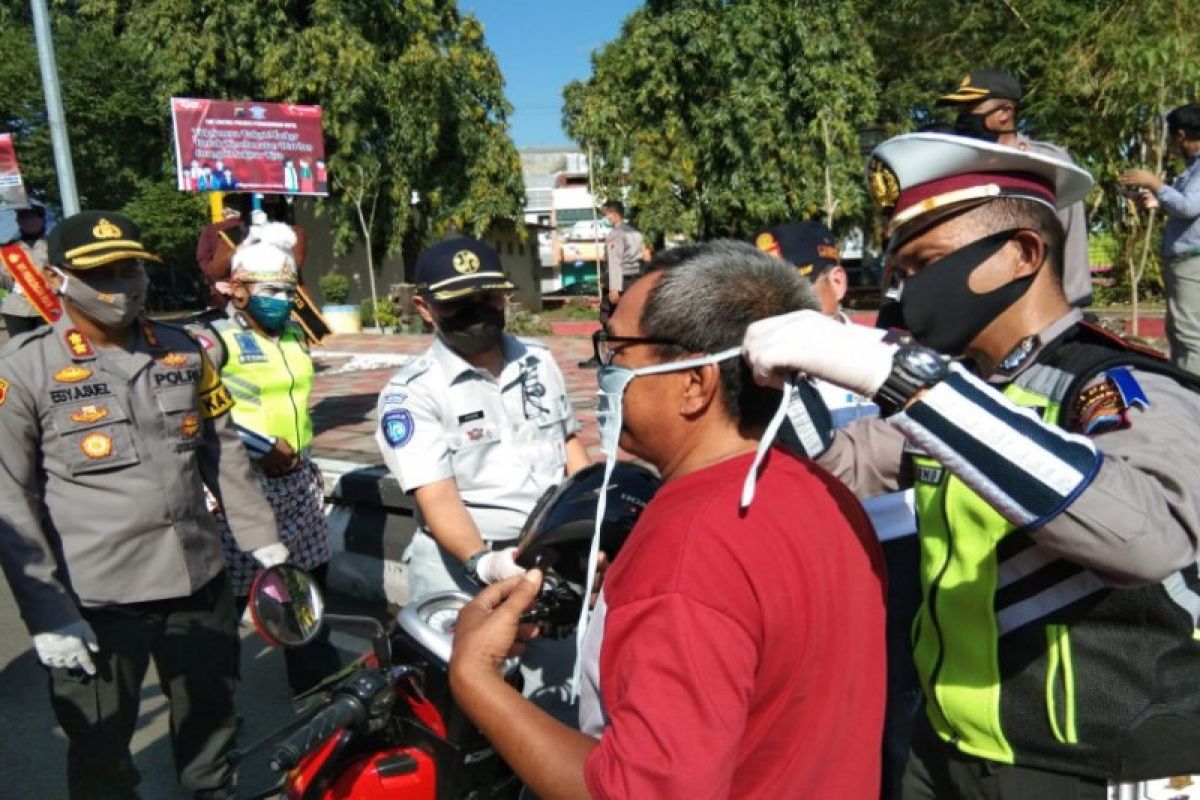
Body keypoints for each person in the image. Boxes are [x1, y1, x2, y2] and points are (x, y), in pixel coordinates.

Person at [744, 132, 1200, 798]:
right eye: (897, 275)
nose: (907, 295)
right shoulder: (966, 390)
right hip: (947, 741)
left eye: (925, 263)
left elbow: (1149, 537)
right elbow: (838, 466)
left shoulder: (1111, 382)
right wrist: (781, 373)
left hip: (1091, 756)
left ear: (1021, 253)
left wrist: (910, 385)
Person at [448, 241, 887, 798]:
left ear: (694, 383)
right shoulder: (826, 492)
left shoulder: (686, 549)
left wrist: (475, 678)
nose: (603, 370)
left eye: (618, 350)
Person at [0, 211, 287, 800]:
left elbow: (223, 449)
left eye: (131, 268)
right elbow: (10, 496)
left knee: (212, 726)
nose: (123, 285)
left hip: (197, 581)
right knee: (101, 747)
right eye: (102, 272)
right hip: (99, 600)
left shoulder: (182, 351)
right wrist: (48, 612)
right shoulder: (23, 370)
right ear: (57, 279)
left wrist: (263, 539)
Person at [376, 236, 589, 715]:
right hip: (463, 570)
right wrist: (484, 563)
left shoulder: (539, 360)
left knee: (556, 707)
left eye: (487, 298)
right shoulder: (412, 394)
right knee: (467, 715)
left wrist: (595, 520)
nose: (477, 311)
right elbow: (438, 496)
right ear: (424, 308)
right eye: (459, 303)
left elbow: (569, 444)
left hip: (549, 559)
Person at [755, 219, 921, 799]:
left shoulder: (891, 353)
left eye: (792, 292)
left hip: (898, 556)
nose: (778, 311)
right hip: (812, 563)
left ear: (837, 282)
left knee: (901, 712)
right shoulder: (758, 368)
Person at [192, 221, 340, 695]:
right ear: (236, 290)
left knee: (307, 601)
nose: (282, 298)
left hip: (299, 490)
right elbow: (191, 411)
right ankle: (212, 710)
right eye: (270, 289)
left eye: (289, 288)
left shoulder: (293, 337)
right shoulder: (212, 342)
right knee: (231, 608)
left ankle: (320, 704)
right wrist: (256, 446)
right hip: (243, 492)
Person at [936, 67, 1094, 308]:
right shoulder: (961, 166)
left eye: (972, 108)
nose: (963, 117)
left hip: (1034, 303)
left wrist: (1073, 301)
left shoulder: (1046, 163)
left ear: (1005, 112)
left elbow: (1070, 233)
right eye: (961, 110)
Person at [1120, 102, 1200, 377]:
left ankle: (1191, 397)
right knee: (1180, 329)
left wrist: (1155, 183)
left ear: (1180, 135)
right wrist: (1153, 199)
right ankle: (1183, 387)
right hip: (1186, 261)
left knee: (1189, 333)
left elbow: (1188, 207)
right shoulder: (1192, 168)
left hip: (1192, 262)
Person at [577, 201, 645, 368]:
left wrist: (614, 288)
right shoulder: (635, 233)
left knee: (607, 318)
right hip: (634, 279)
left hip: (619, 280)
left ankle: (604, 355)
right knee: (632, 317)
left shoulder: (616, 234)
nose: (605, 218)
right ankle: (630, 352)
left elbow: (614, 263)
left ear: (613, 214)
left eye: (606, 214)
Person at [1, 202, 52, 336]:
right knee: (22, 352)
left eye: (33, 216)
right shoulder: (7, 249)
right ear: (18, 221)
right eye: (23, 217)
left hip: (51, 306)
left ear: (42, 219)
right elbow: (4, 281)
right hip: (17, 309)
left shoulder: (54, 244)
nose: (28, 221)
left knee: (52, 351)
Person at [196, 194, 249, 310]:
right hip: (252, 287)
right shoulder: (255, 230)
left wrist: (215, 283)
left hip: (224, 289)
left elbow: (202, 259)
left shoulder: (211, 231)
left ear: (225, 211)